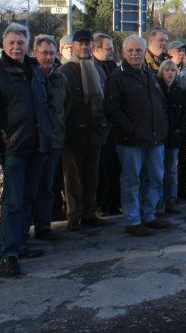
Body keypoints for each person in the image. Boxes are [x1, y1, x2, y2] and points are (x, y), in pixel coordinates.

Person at [0, 23, 54, 276]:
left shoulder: (34, 68)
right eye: (11, 42)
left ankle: (21, 244)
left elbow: (46, 104)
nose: (16, 46)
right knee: (12, 201)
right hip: (13, 147)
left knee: (28, 198)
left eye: (20, 42)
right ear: (3, 43)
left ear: (27, 44)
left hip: (37, 144)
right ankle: (9, 252)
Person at [104, 35, 170, 236]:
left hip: (154, 138)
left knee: (156, 178)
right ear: (123, 53)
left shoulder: (149, 74)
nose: (134, 54)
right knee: (132, 181)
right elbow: (112, 109)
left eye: (138, 50)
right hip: (130, 141)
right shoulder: (116, 77)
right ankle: (133, 220)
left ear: (144, 52)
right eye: (130, 51)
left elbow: (160, 103)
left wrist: (163, 126)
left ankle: (148, 215)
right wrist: (131, 128)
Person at [59, 29, 109, 231]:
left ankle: (89, 212)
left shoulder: (97, 69)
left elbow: (104, 100)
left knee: (91, 176)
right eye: (81, 43)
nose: (85, 47)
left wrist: (104, 127)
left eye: (88, 43)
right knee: (73, 179)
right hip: (72, 135)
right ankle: (74, 216)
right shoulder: (65, 71)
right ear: (74, 46)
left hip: (94, 132)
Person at [30, 35, 68, 241]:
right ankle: (23, 228)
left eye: (52, 53)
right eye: (44, 53)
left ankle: (43, 227)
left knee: (47, 186)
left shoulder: (61, 78)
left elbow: (65, 108)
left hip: (54, 139)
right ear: (35, 53)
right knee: (29, 188)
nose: (48, 57)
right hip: (32, 141)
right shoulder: (28, 75)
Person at [92, 33, 120, 215]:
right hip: (100, 127)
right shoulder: (92, 69)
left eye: (112, 48)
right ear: (96, 49)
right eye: (107, 48)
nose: (111, 51)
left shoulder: (114, 67)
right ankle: (101, 204)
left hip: (115, 127)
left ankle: (113, 202)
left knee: (114, 167)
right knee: (101, 168)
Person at [156, 59, 185, 214]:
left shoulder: (179, 92)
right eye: (167, 70)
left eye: (173, 70)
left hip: (173, 136)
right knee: (157, 170)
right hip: (159, 137)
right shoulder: (156, 90)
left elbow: (184, 114)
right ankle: (159, 201)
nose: (170, 73)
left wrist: (180, 129)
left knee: (171, 170)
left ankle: (171, 199)